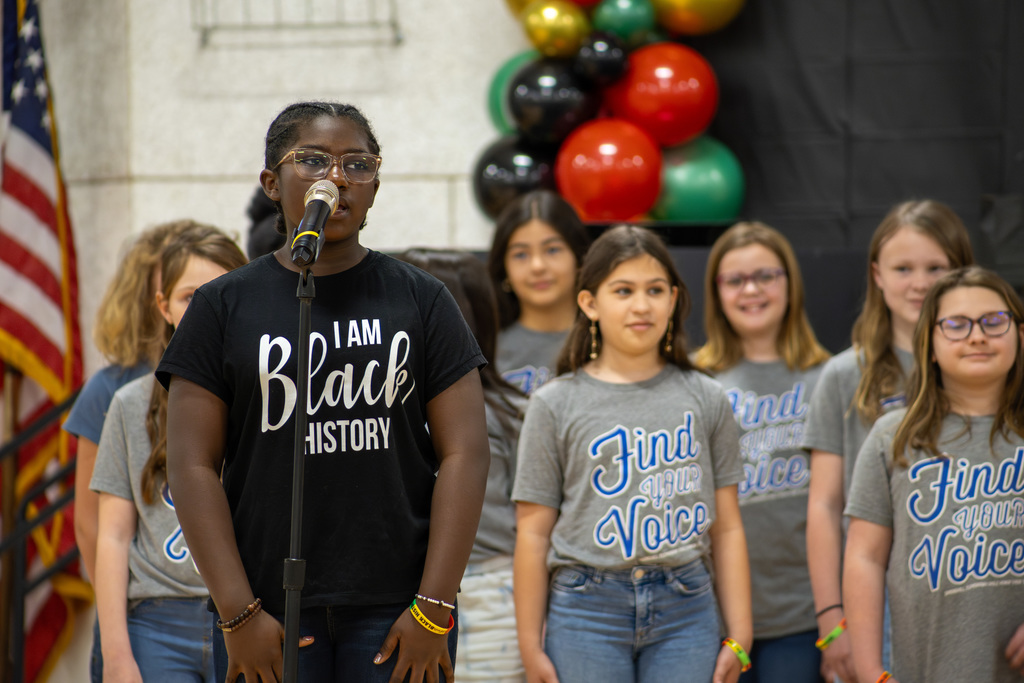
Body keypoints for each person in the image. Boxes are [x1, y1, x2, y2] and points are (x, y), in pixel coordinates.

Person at [156, 101, 490, 683]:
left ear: (375, 185)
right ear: (271, 182)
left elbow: (466, 451)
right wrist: (237, 613)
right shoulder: (221, 306)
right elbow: (191, 464)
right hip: (265, 606)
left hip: (399, 604)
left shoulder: (421, 298)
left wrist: (435, 606)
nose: (336, 178)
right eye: (312, 160)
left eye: (357, 164)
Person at [512, 225, 752, 683]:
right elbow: (532, 532)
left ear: (674, 299)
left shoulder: (706, 397)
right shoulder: (555, 403)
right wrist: (529, 643)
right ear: (590, 304)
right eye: (623, 290)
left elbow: (728, 526)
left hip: (687, 604)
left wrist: (741, 633)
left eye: (655, 290)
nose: (641, 305)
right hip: (585, 608)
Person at [802, 199, 974, 682]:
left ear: (962, 271)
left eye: (936, 267)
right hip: (870, 601)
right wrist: (832, 619)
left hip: (973, 591)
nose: (920, 282)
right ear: (877, 275)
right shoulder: (842, 375)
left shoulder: (992, 366)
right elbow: (824, 504)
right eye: (904, 268)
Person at [843, 266, 1024, 682]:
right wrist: (870, 670)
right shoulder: (893, 436)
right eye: (956, 325)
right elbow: (864, 557)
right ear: (930, 346)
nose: (977, 336)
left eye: (995, 322)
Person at [91, 225, 247, 682]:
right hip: (156, 624)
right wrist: (116, 656)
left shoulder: (275, 401)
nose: (207, 310)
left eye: (222, 293)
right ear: (164, 307)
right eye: (189, 297)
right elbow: (113, 538)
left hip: (248, 616)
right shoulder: (129, 404)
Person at [694, 221, 831, 683]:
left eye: (765, 276)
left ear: (789, 283)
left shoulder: (828, 377)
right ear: (716, 293)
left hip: (803, 615)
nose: (750, 290)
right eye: (735, 280)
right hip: (708, 615)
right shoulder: (695, 381)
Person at [62, 219, 199, 682]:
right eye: (185, 290)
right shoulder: (116, 392)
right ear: (152, 299)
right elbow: (91, 524)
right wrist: (119, 627)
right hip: (142, 616)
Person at [395, 248, 528, 682]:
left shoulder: (513, 411)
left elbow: (534, 523)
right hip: (402, 586)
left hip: (491, 591)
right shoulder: (382, 404)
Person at [487, 189, 590, 395]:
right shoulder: (485, 350)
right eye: (521, 254)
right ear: (503, 267)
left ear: (578, 259)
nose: (537, 266)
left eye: (552, 250)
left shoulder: (606, 341)